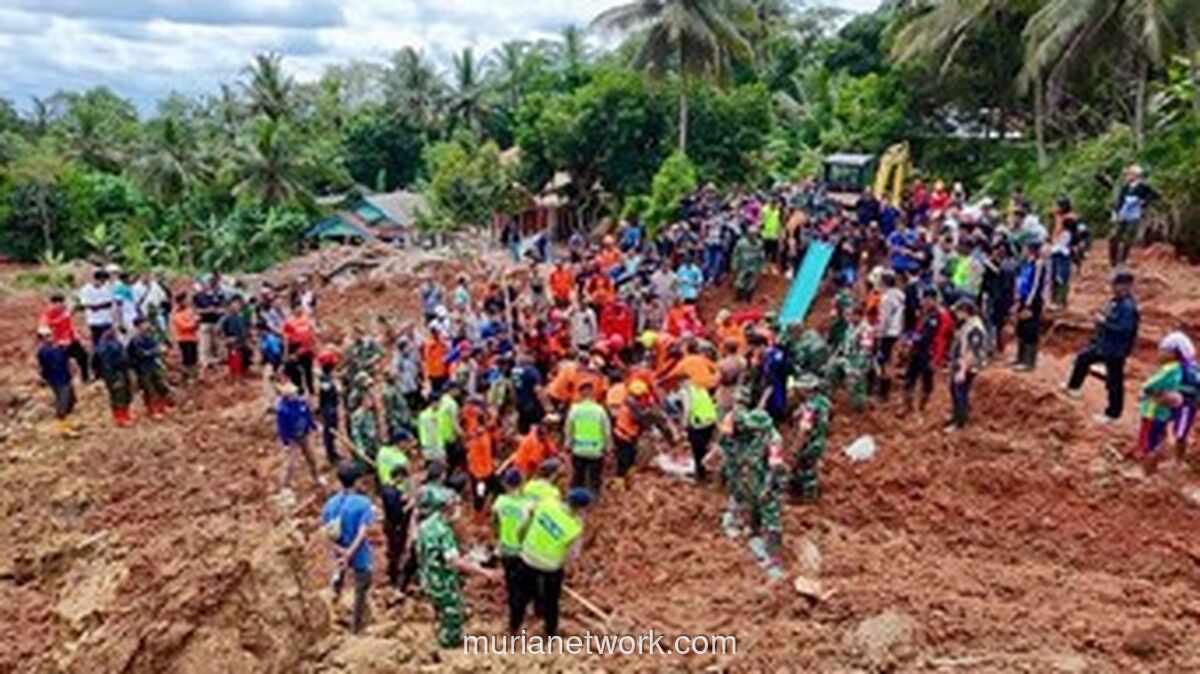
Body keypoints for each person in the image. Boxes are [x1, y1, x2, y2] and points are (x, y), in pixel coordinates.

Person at [415, 488, 498, 648]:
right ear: (445, 507)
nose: (457, 509)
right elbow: (453, 562)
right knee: (453, 616)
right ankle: (447, 650)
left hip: (428, 578)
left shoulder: (425, 525)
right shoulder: (443, 531)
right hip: (442, 582)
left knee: (440, 614)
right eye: (454, 505)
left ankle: (438, 640)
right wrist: (484, 572)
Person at [512, 487, 593, 636]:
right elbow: (573, 554)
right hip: (551, 566)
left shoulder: (547, 503)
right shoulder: (575, 527)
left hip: (528, 557)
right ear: (582, 508)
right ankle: (549, 634)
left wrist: (521, 537)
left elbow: (526, 517)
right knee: (551, 602)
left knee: (521, 596)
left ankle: (513, 628)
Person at [1064, 270, 1139, 424]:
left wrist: (1104, 322)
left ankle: (1113, 414)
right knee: (1083, 358)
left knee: (1114, 381)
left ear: (1126, 286)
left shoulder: (1128, 307)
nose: (1113, 287)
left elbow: (1123, 329)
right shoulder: (1116, 302)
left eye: (1116, 284)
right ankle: (1073, 387)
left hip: (1116, 349)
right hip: (1104, 344)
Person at [321, 462, 376, 634]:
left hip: (338, 550)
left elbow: (326, 531)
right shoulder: (363, 503)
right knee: (361, 588)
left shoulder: (330, 504)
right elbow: (362, 532)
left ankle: (332, 614)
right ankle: (356, 627)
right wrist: (350, 552)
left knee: (338, 580)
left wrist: (340, 551)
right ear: (357, 481)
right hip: (358, 553)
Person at [1135, 334, 1192, 474]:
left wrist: (1145, 391)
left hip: (1153, 411)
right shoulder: (1182, 368)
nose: (1158, 354)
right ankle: (1152, 470)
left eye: (1162, 350)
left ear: (1173, 353)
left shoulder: (1169, 370)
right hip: (1164, 413)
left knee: (1148, 444)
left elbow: (1149, 385)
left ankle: (1145, 473)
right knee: (1159, 439)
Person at [492, 469, 534, 632]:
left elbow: (495, 523)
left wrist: (498, 539)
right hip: (523, 551)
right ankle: (518, 620)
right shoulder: (528, 505)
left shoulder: (500, 502)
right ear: (521, 483)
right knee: (523, 586)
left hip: (505, 549)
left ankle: (514, 621)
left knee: (511, 585)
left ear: (505, 484)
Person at [946, 298, 988, 432]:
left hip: (969, 365)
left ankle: (960, 422)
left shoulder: (975, 328)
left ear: (965, 311)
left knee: (960, 392)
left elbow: (971, 351)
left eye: (958, 311)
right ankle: (956, 415)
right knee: (954, 389)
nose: (957, 315)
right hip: (961, 362)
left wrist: (962, 371)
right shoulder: (968, 324)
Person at [376, 440, 413, 589]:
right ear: (398, 477)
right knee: (396, 549)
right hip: (396, 525)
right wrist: (409, 505)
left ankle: (393, 571)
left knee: (393, 549)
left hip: (389, 523)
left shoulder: (386, 488)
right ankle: (395, 578)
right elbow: (398, 514)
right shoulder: (393, 493)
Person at [565, 380, 611, 495]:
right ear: (592, 394)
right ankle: (593, 500)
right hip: (595, 451)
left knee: (578, 477)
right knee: (594, 478)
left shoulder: (575, 409)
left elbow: (569, 429)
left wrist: (568, 445)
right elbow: (606, 431)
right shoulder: (599, 410)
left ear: (580, 394)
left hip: (578, 449)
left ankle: (575, 500)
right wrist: (607, 447)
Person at [276, 381, 324, 490]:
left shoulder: (301, 403)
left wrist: (314, 427)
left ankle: (316, 477)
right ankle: (285, 485)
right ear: (287, 396)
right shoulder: (283, 410)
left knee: (312, 457)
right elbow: (282, 428)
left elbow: (308, 416)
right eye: (293, 393)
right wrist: (286, 444)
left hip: (304, 434)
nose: (296, 394)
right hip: (292, 438)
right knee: (290, 463)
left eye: (296, 392)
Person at [1110, 165, 1158, 268]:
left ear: (1135, 175)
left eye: (1129, 174)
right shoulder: (1125, 187)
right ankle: (1113, 261)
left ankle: (1122, 261)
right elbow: (1119, 200)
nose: (1127, 176)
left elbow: (1156, 195)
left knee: (1128, 238)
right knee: (1114, 236)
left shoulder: (1143, 186)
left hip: (1134, 215)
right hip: (1123, 214)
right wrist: (1116, 212)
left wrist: (1143, 201)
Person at [902, 290, 940, 414]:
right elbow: (918, 331)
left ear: (934, 300)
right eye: (924, 300)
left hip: (927, 353)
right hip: (916, 352)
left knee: (926, 382)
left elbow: (926, 337)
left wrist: (911, 340)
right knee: (909, 378)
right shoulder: (924, 314)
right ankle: (907, 406)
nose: (924, 302)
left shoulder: (935, 317)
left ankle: (923, 408)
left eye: (928, 300)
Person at [1012, 240, 1047, 372]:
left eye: (1025, 249)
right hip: (1023, 298)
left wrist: (1029, 303)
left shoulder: (1038, 264)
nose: (1023, 251)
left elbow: (1036, 285)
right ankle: (1020, 358)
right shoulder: (1027, 263)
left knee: (1030, 330)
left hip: (1032, 301)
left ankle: (1029, 362)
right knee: (1021, 328)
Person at [40, 292, 89, 383]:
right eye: (58, 303)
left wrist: (76, 336)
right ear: (53, 304)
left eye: (62, 303)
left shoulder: (65, 311)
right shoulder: (48, 314)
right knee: (59, 363)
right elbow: (45, 327)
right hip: (58, 343)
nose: (60, 305)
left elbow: (69, 326)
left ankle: (85, 378)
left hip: (70, 340)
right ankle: (49, 379)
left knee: (83, 357)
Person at [126, 318, 170, 419]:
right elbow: (141, 354)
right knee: (148, 389)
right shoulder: (135, 340)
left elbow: (155, 347)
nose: (147, 325)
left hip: (152, 365)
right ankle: (152, 411)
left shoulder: (149, 336)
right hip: (142, 368)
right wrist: (157, 351)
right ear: (138, 326)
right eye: (144, 324)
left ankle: (161, 407)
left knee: (160, 385)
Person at [36, 326, 77, 435]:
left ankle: (66, 423)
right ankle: (63, 428)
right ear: (42, 339)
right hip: (57, 380)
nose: (50, 338)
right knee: (63, 402)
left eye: (50, 335)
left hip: (65, 377)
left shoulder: (57, 348)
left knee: (71, 400)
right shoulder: (44, 351)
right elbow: (46, 367)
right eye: (47, 336)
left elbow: (66, 358)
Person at [680, 380, 719, 482]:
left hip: (698, 423)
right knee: (705, 447)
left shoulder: (685, 392)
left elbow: (687, 409)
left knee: (697, 451)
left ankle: (700, 475)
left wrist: (684, 425)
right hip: (710, 420)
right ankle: (706, 471)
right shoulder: (700, 388)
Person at [96, 328, 134, 427]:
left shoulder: (117, 343)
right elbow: (106, 364)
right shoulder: (105, 347)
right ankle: (120, 418)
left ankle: (126, 414)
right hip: (115, 373)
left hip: (122, 371)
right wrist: (113, 378)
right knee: (118, 395)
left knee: (126, 394)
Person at [79, 268, 114, 375]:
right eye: (102, 280)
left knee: (107, 345)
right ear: (96, 279)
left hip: (107, 320)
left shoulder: (107, 288)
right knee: (97, 346)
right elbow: (86, 305)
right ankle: (96, 370)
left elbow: (109, 303)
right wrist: (99, 306)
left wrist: (96, 306)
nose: (103, 283)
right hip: (94, 322)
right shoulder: (86, 289)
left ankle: (106, 367)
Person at [317, 350, 342, 467]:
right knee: (329, 432)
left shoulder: (327, 377)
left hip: (331, 407)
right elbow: (327, 395)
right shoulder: (325, 380)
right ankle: (331, 455)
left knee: (333, 431)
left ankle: (333, 452)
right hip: (329, 409)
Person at [171, 292, 200, 384]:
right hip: (183, 339)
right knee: (187, 359)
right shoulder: (177, 314)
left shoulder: (190, 310)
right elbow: (184, 327)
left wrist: (195, 322)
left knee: (194, 358)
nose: (188, 301)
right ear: (181, 301)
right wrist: (194, 322)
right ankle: (187, 377)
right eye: (186, 300)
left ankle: (194, 376)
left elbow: (195, 322)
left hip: (193, 338)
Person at [731, 227, 766, 302]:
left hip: (754, 265)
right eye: (751, 234)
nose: (753, 236)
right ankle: (739, 296)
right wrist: (734, 264)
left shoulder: (759, 243)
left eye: (755, 234)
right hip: (743, 265)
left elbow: (761, 255)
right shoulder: (741, 243)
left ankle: (748, 297)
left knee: (752, 281)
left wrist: (762, 266)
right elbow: (736, 254)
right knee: (740, 280)